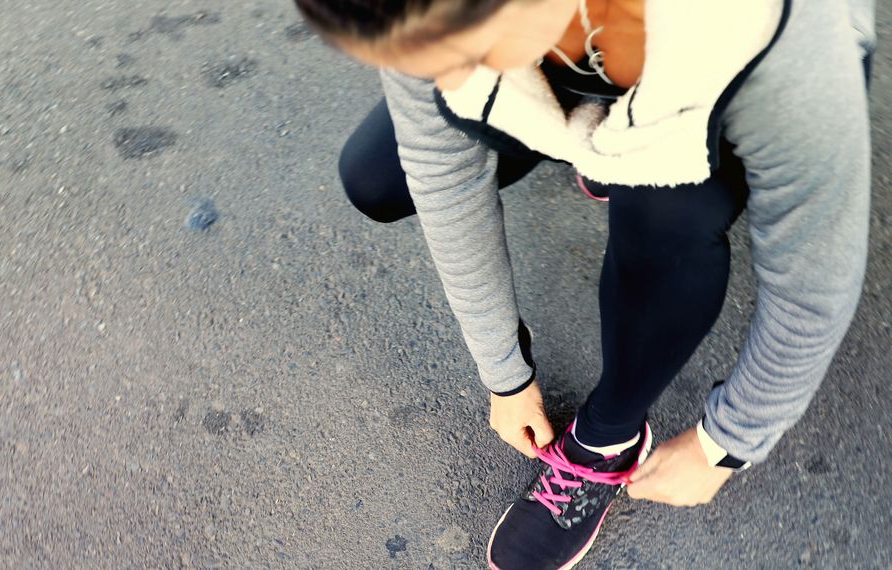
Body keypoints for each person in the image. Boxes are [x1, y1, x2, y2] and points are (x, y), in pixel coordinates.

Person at [293, 0, 876, 567]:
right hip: (571, 48)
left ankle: (608, 438)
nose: (442, 81)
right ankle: (591, 138)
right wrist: (503, 371)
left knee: (668, 214)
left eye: (462, 51)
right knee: (378, 175)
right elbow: (440, 169)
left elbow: (814, 274)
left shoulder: (777, 32)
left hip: (715, 81)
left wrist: (726, 443)